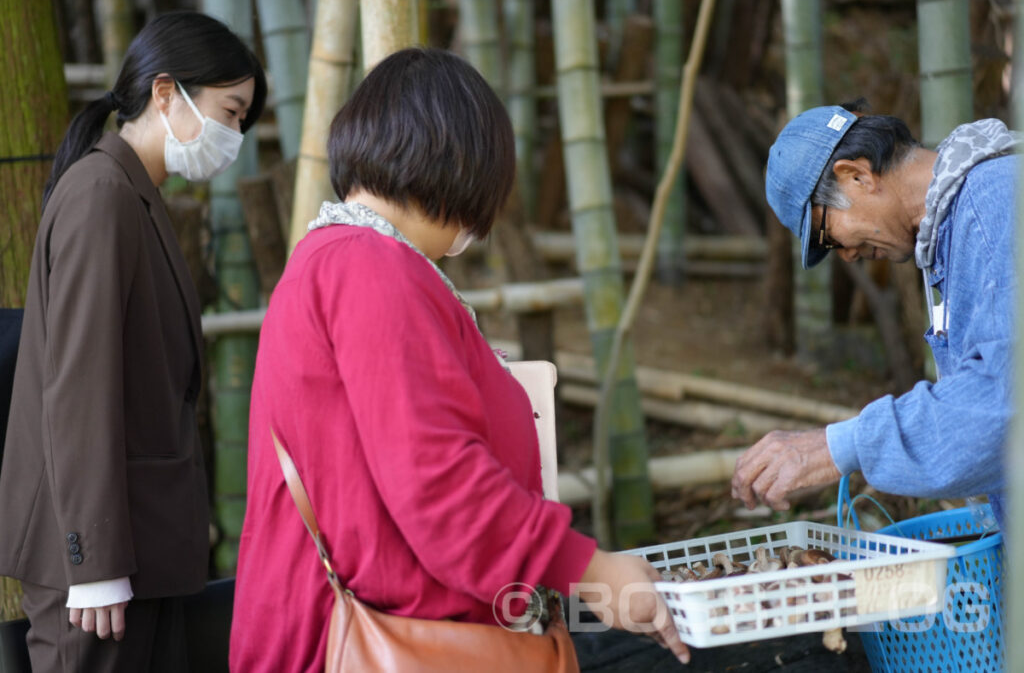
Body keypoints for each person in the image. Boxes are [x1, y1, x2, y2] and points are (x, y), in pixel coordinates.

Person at [229, 47, 689, 672]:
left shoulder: (345, 260)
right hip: (376, 641)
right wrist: (590, 570)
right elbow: (438, 478)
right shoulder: (369, 268)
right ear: (459, 163)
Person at [0, 11, 266, 671]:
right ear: (166, 92)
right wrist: (93, 559)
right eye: (230, 112)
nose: (234, 134)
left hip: (139, 552)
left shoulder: (131, 193)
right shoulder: (102, 196)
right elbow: (79, 388)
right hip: (98, 571)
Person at [732, 101, 1016, 528]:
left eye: (828, 237)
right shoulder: (955, 230)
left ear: (857, 176)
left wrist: (840, 447)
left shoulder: (995, 205)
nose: (846, 256)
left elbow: (1004, 403)